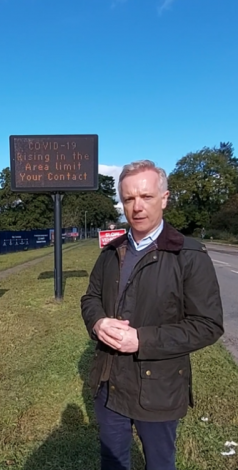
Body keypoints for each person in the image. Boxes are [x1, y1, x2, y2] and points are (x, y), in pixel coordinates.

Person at [81, 160, 224, 470]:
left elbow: (208, 325)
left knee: (159, 464)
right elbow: (90, 297)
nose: (137, 207)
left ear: (164, 198)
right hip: (110, 382)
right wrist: (97, 322)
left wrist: (142, 340)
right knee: (113, 460)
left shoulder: (189, 254)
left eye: (146, 196)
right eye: (129, 198)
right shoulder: (111, 252)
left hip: (158, 390)